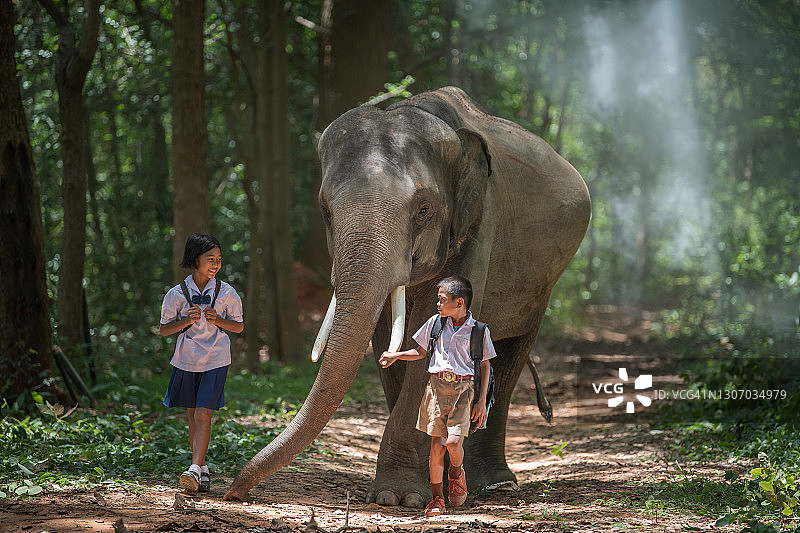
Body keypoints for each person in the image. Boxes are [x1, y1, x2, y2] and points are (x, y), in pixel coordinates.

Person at [379, 276, 497, 517]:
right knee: (436, 446)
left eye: (442, 300)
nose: (438, 304)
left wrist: (481, 401)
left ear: (459, 302)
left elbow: (485, 366)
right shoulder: (435, 323)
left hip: (464, 390)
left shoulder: (479, 331)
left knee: (453, 443)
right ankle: (437, 499)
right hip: (436, 388)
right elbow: (421, 351)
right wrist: (396, 355)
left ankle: (456, 473)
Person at [159, 233, 244, 493]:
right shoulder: (176, 294)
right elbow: (164, 329)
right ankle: (202, 467)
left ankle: (194, 469)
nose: (216, 264)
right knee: (192, 414)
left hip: (216, 357)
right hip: (187, 358)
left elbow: (239, 326)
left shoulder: (227, 292)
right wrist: (186, 320)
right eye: (210, 259)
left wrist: (219, 320)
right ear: (195, 259)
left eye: (218, 259)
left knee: (203, 413)